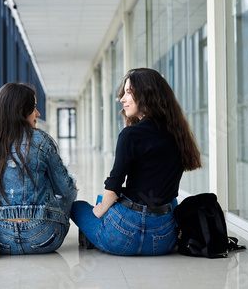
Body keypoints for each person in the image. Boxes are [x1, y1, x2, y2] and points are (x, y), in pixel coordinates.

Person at [71, 68, 201, 256]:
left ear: (148, 94)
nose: (122, 98)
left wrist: (100, 211)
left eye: (128, 92)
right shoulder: (178, 134)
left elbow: (114, 185)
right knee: (169, 198)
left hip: (123, 236)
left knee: (79, 206)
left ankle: (96, 237)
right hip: (163, 241)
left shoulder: (130, 135)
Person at [0, 82, 77, 255]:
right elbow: (65, 190)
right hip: (45, 238)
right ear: (20, 111)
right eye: (34, 108)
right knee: (69, 190)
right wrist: (72, 185)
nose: (38, 114)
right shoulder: (41, 140)